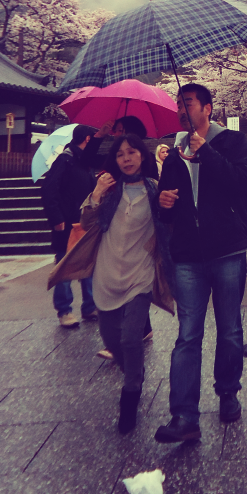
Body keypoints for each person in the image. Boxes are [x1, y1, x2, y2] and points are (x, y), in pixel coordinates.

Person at [49, 134, 174, 433]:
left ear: (142, 156)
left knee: (132, 338)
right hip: (106, 274)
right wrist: (95, 195)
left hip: (139, 274)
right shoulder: (108, 188)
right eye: (120, 154)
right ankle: (133, 370)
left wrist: (168, 205)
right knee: (110, 339)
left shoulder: (154, 190)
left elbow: (168, 225)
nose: (127, 158)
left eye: (132, 152)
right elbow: (87, 223)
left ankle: (130, 395)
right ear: (114, 160)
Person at [154, 83, 247, 443]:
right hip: (188, 255)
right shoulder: (176, 150)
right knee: (187, 335)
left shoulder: (231, 142)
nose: (182, 109)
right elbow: (165, 208)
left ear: (207, 108)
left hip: (227, 249)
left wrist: (207, 152)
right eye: (179, 104)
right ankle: (184, 415)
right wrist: (163, 202)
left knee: (229, 328)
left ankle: (228, 391)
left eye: (189, 102)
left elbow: (241, 185)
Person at [41, 124, 100, 328]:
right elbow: (49, 190)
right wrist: (57, 219)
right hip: (66, 222)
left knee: (88, 264)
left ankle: (90, 306)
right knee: (65, 265)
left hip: (85, 222)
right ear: (87, 140)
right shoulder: (65, 160)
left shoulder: (85, 163)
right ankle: (64, 310)